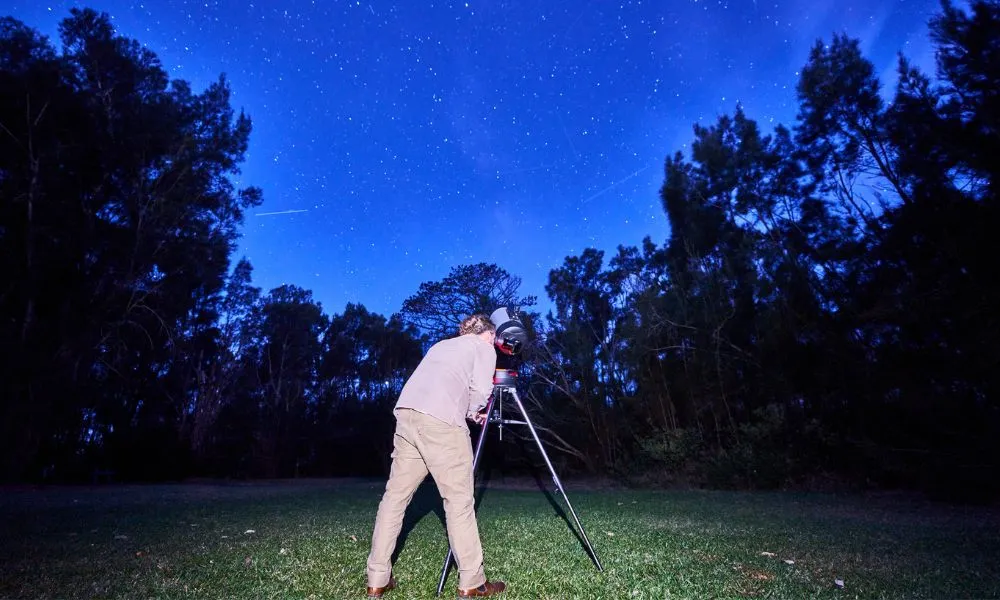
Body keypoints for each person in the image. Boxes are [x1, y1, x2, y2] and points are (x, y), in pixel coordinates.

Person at [365, 314, 507, 599]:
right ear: (489, 334)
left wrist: (466, 410)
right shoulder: (484, 347)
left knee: (394, 499)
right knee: (459, 502)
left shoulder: (441, 346)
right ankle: (472, 582)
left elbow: (444, 383)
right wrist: (474, 409)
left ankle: (377, 579)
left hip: (407, 415)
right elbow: (480, 391)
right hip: (441, 423)